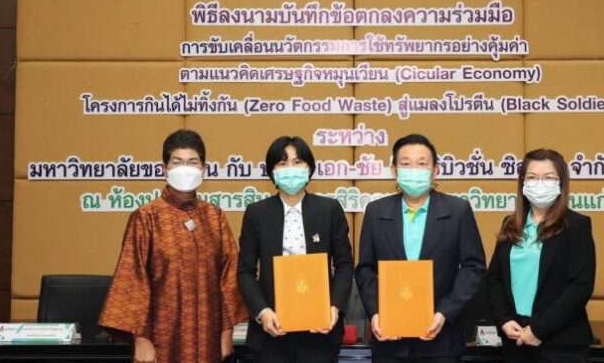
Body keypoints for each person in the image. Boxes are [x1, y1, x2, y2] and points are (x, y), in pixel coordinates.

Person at [99, 129, 248, 363]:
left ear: (204, 169)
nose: (185, 168)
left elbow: (228, 280)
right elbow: (133, 281)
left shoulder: (215, 217)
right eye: (177, 162)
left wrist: (226, 333)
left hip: (208, 338)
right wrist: (141, 340)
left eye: (192, 162)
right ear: (164, 169)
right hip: (161, 340)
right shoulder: (146, 217)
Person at [355, 134, 486, 363]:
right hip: (389, 339)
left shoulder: (458, 211)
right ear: (394, 170)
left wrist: (445, 312)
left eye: (422, 163)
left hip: (441, 341)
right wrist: (376, 313)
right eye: (406, 164)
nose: (414, 170)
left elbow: (473, 268)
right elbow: (365, 269)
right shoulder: (376, 211)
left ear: (435, 170)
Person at [237, 136, 354, 363]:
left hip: (320, 332)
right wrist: (263, 312)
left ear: (309, 168)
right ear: (272, 171)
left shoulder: (329, 209)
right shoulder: (256, 213)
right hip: (272, 333)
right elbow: (245, 271)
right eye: (282, 163)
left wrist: (334, 308)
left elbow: (344, 265)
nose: (290, 168)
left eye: (297, 162)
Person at [485, 148, 596, 363]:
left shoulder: (577, 226)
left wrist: (538, 330)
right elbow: (494, 279)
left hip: (560, 344)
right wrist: (504, 320)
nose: (540, 183)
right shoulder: (510, 224)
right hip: (515, 339)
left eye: (548, 177)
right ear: (522, 183)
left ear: (561, 183)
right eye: (532, 177)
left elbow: (580, 287)